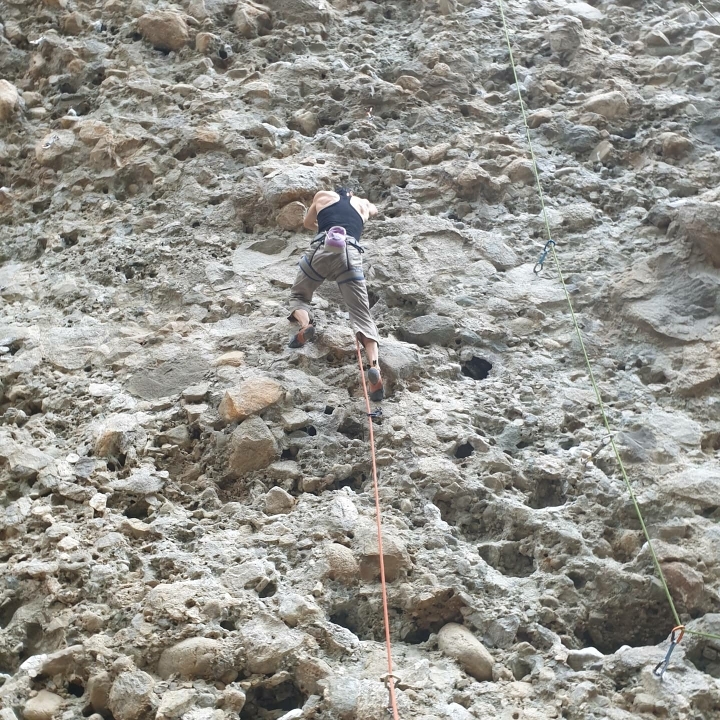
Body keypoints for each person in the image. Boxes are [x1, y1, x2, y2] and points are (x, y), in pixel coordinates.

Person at [287, 186, 384, 401]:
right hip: (349, 252)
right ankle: (374, 366)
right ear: (351, 194)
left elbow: (307, 223)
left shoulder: (323, 196)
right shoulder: (362, 204)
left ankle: (305, 325)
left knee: (299, 296)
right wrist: (363, 207)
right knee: (361, 315)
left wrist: (322, 225)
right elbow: (375, 210)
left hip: (324, 244)